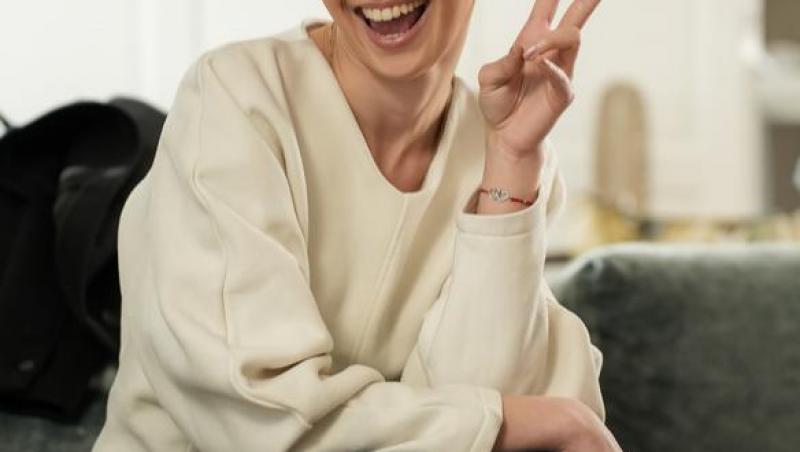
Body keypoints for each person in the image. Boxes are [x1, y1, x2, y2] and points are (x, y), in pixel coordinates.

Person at [93, 0, 622, 450]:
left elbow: (478, 415)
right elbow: (261, 421)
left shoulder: (501, 151)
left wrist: (511, 157)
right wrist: (523, 421)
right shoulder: (236, 98)